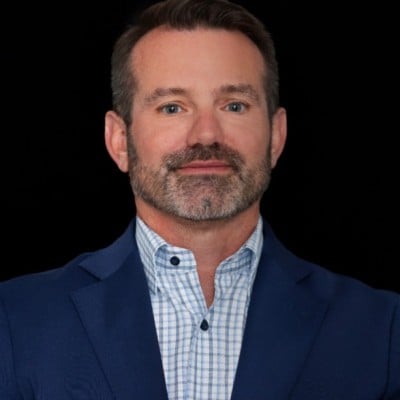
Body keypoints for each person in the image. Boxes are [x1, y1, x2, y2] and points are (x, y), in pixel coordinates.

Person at [1, 0, 399, 398]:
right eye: (172, 107)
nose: (206, 134)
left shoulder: (382, 329)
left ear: (276, 136)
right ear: (119, 140)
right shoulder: (15, 319)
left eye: (234, 105)